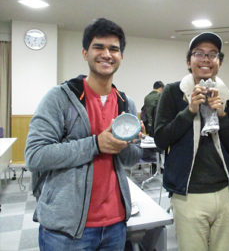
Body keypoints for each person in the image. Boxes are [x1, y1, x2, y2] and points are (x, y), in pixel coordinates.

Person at [25, 18, 143, 250]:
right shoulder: (59, 98)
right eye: (98, 47)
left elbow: (131, 159)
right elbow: (35, 155)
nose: (107, 54)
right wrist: (96, 144)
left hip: (115, 224)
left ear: (121, 56)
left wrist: (127, 145)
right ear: (85, 53)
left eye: (114, 49)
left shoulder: (124, 103)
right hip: (66, 229)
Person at [154, 32, 229, 251]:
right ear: (189, 61)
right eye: (199, 54)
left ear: (219, 62)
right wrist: (189, 111)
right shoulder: (173, 93)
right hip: (188, 195)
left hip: (227, 194)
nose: (206, 59)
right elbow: (160, 139)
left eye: (212, 54)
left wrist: (222, 116)